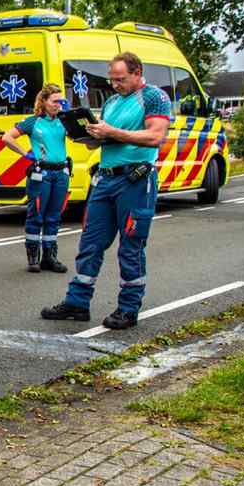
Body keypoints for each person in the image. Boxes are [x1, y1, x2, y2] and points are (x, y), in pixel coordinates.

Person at [41, 52, 170, 330]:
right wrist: (89, 135)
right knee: (90, 242)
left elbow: (155, 137)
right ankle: (77, 302)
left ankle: (128, 307)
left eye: (121, 79)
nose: (115, 85)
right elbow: (100, 140)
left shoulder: (153, 97)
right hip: (106, 179)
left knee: (131, 245)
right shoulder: (111, 102)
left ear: (137, 73)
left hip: (135, 179)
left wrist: (111, 132)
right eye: (112, 79)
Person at [3, 83, 71, 273]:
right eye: (55, 101)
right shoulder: (33, 122)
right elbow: (7, 137)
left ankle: (50, 257)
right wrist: (25, 153)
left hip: (61, 173)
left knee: (54, 217)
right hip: (42, 174)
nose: (59, 105)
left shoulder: (64, 121)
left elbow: (80, 135)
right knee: (37, 215)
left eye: (61, 101)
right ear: (44, 101)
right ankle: (33, 257)